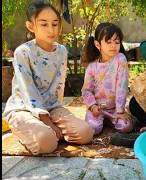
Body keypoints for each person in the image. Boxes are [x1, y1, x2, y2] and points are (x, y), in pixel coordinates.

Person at [2, 1, 94, 155]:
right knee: (46, 141)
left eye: (55, 24)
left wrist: (57, 116)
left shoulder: (62, 51)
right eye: (44, 24)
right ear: (31, 26)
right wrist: (47, 122)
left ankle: (48, 132)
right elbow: (27, 89)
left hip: (52, 107)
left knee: (85, 133)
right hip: (23, 108)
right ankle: (22, 128)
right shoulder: (23, 52)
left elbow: (59, 84)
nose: (51, 30)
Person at [81, 22, 133, 135]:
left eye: (117, 42)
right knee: (92, 128)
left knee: (126, 127)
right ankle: (103, 120)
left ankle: (110, 120)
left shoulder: (120, 59)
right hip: (97, 109)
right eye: (108, 42)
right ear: (97, 44)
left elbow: (122, 86)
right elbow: (86, 90)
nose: (113, 45)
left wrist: (120, 111)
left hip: (115, 108)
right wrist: (92, 106)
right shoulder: (91, 67)